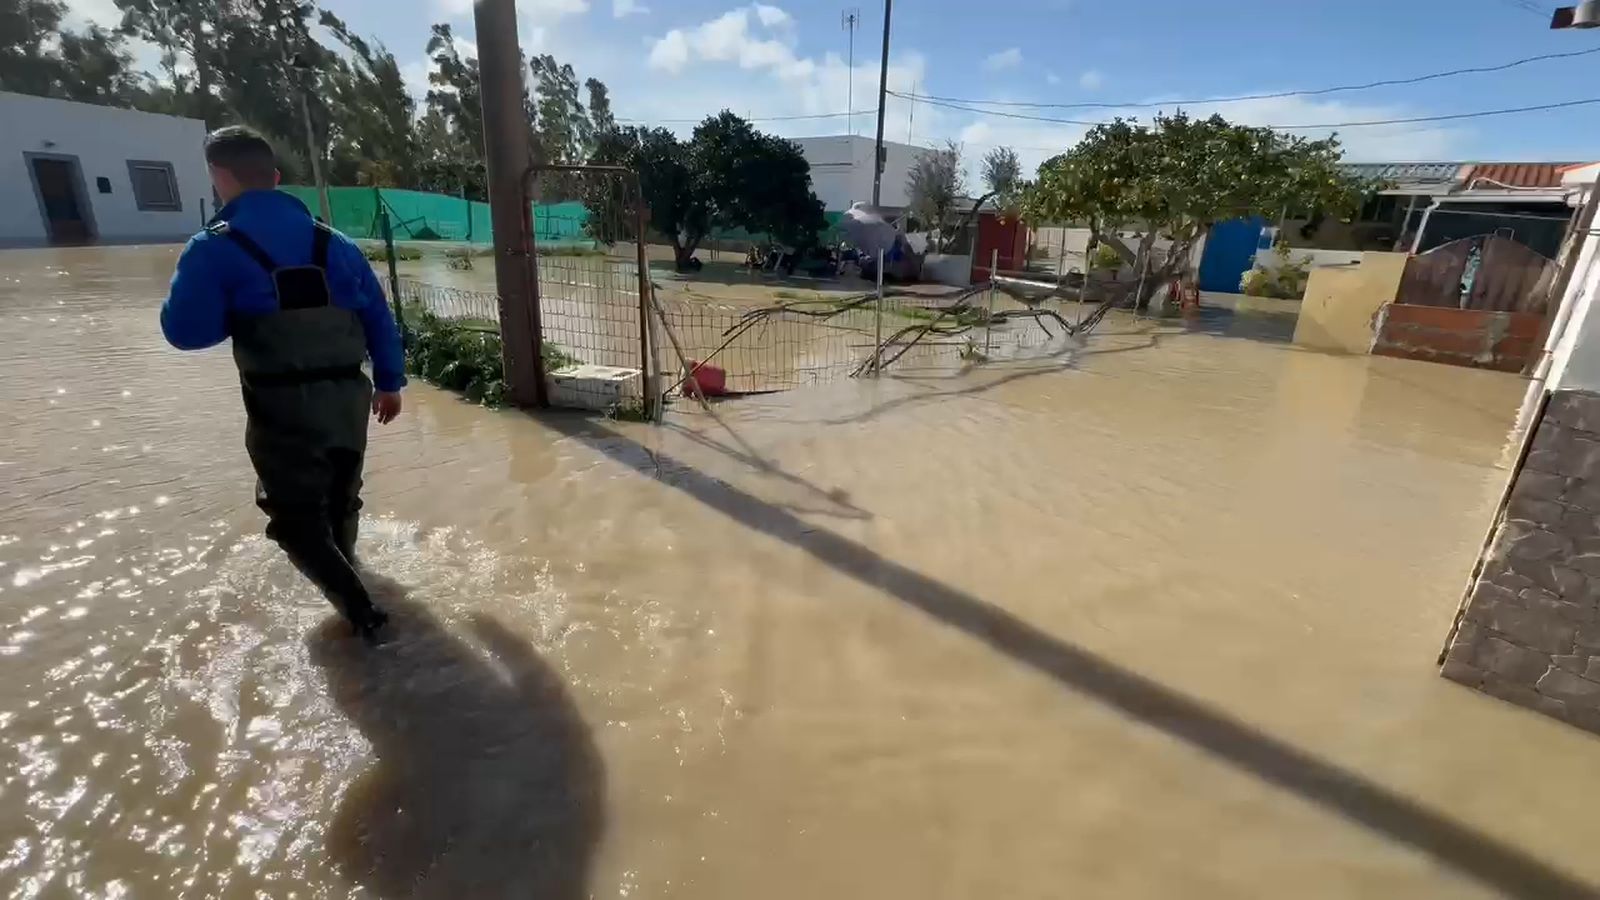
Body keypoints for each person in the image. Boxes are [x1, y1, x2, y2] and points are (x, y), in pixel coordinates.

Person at [160, 125, 405, 643]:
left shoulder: (211, 248)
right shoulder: (336, 243)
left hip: (282, 404)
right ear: (274, 178)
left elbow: (184, 333)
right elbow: (379, 319)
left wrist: (239, 307)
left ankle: (364, 617)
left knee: (294, 520)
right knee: (343, 497)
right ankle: (351, 572)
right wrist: (389, 382)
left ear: (218, 178)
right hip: (351, 397)